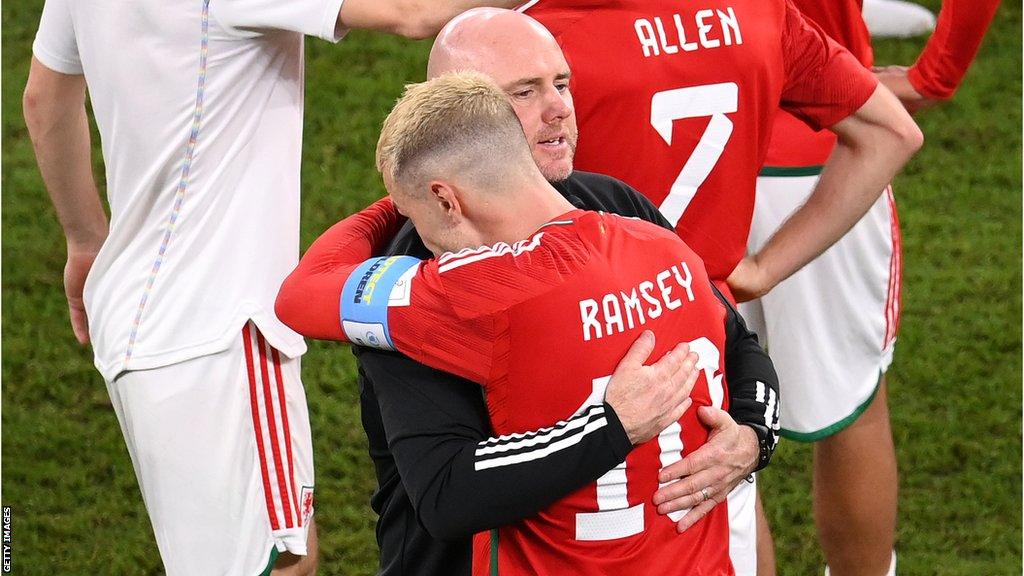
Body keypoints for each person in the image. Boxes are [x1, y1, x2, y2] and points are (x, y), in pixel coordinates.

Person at [21, 1, 532, 574]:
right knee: (281, 565)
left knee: (273, 553)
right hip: (219, 332)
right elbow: (410, 11)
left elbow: (45, 98)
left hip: (138, 317)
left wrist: (86, 241)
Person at [276, 70, 781, 575]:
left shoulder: (473, 291)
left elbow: (301, 295)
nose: (421, 242)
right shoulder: (663, 245)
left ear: (446, 200)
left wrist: (390, 204)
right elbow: (742, 347)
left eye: (417, 216)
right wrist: (759, 433)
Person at [515, 1, 921, 571]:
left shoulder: (539, 33)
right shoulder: (760, 12)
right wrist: (763, 268)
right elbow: (893, 131)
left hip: (580, 328)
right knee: (731, 482)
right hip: (703, 321)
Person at [742, 0, 1000, 574]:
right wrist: (935, 76)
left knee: (709, 423)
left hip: (677, 160)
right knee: (853, 406)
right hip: (828, 147)